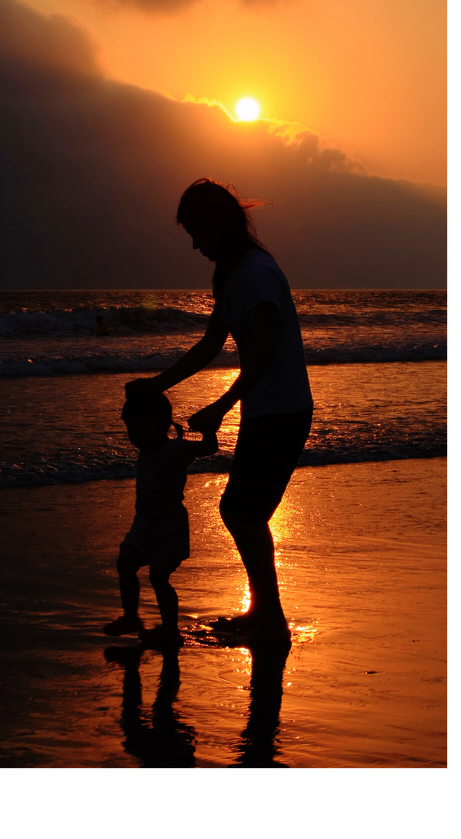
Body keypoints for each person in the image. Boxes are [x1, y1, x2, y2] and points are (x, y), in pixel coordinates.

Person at [126, 178, 313, 643]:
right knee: (244, 512)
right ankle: (265, 615)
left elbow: (265, 351)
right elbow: (211, 345)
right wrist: (157, 384)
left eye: (198, 231)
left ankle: (269, 620)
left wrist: (220, 406)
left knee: (241, 512)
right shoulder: (233, 277)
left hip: (282, 409)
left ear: (222, 224)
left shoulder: (257, 273)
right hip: (267, 409)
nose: (195, 244)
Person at [104, 390, 218, 649]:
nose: (136, 435)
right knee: (126, 563)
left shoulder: (175, 448)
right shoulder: (146, 450)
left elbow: (210, 447)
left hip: (170, 529)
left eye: (143, 427)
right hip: (144, 525)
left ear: (163, 425)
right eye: (131, 429)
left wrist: (208, 428)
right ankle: (131, 618)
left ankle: (170, 630)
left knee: (158, 576)